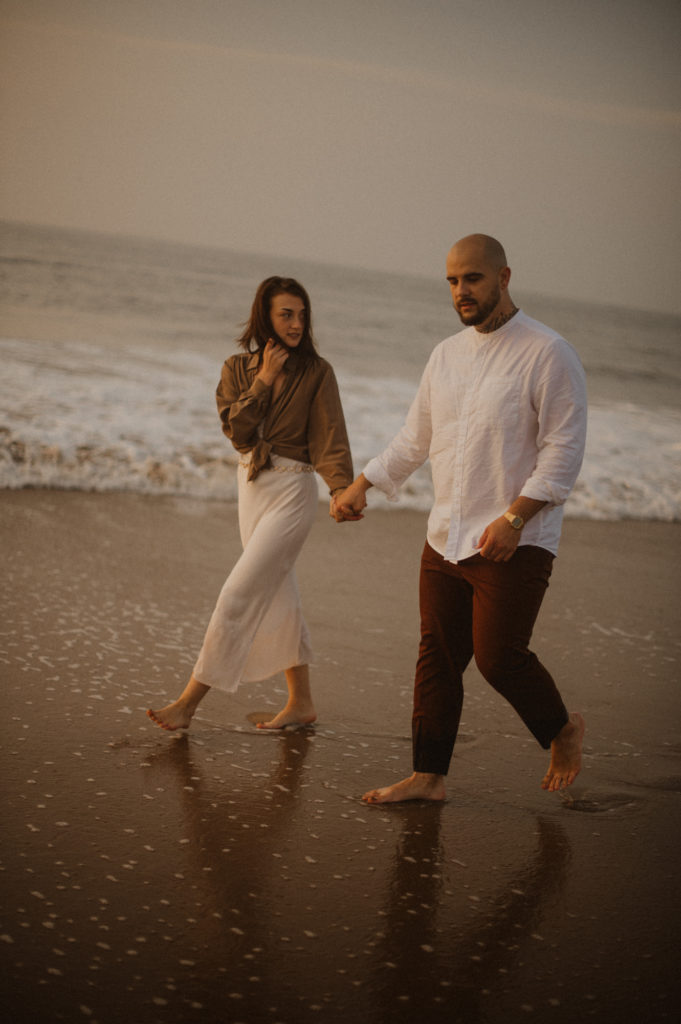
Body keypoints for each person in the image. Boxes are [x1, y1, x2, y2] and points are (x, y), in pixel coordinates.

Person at [333, 234, 587, 802]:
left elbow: (563, 453)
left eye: (472, 278)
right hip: (445, 536)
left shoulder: (548, 352)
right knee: (437, 658)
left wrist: (515, 519)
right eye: (452, 280)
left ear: (504, 277)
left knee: (499, 659)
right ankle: (429, 777)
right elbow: (415, 438)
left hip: (515, 541)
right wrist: (363, 484)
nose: (461, 291)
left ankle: (562, 729)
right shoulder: (445, 355)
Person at [148, 276, 353, 732]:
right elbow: (237, 433)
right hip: (251, 487)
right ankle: (301, 702)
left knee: (238, 594)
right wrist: (262, 380)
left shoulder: (318, 373)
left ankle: (187, 704)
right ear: (266, 316)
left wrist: (341, 489)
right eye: (286, 314)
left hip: (293, 493)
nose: (297, 324)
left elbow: (330, 438)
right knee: (279, 593)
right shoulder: (237, 369)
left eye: (302, 315)